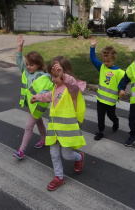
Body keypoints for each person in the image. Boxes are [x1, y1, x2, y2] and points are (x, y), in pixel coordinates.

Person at [31, 56, 86, 191]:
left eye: (55, 76)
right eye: (52, 76)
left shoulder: (72, 88)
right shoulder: (56, 87)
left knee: (66, 155)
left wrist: (64, 76)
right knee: (54, 154)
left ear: (64, 73)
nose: (53, 79)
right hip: (55, 128)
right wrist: (37, 97)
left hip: (66, 130)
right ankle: (58, 177)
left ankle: (79, 157)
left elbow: (73, 86)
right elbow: (49, 96)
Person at [13, 34, 54, 159]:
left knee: (29, 126)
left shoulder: (44, 77)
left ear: (38, 64)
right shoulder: (26, 72)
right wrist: (20, 47)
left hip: (38, 105)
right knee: (39, 122)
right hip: (30, 104)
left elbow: (47, 90)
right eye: (27, 64)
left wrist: (39, 97)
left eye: (31, 65)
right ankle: (44, 139)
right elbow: (19, 61)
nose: (28, 67)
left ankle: (21, 150)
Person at [90, 37, 125, 140]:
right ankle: (100, 131)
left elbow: (125, 80)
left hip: (110, 101)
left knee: (111, 115)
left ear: (113, 59)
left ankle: (116, 121)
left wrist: (121, 90)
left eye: (108, 61)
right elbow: (93, 59)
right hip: (100, 99)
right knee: (100, 116)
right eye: (104, 61)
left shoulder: (119, 72)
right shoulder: (101, 67)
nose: (105, 63)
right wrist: (92, 46)